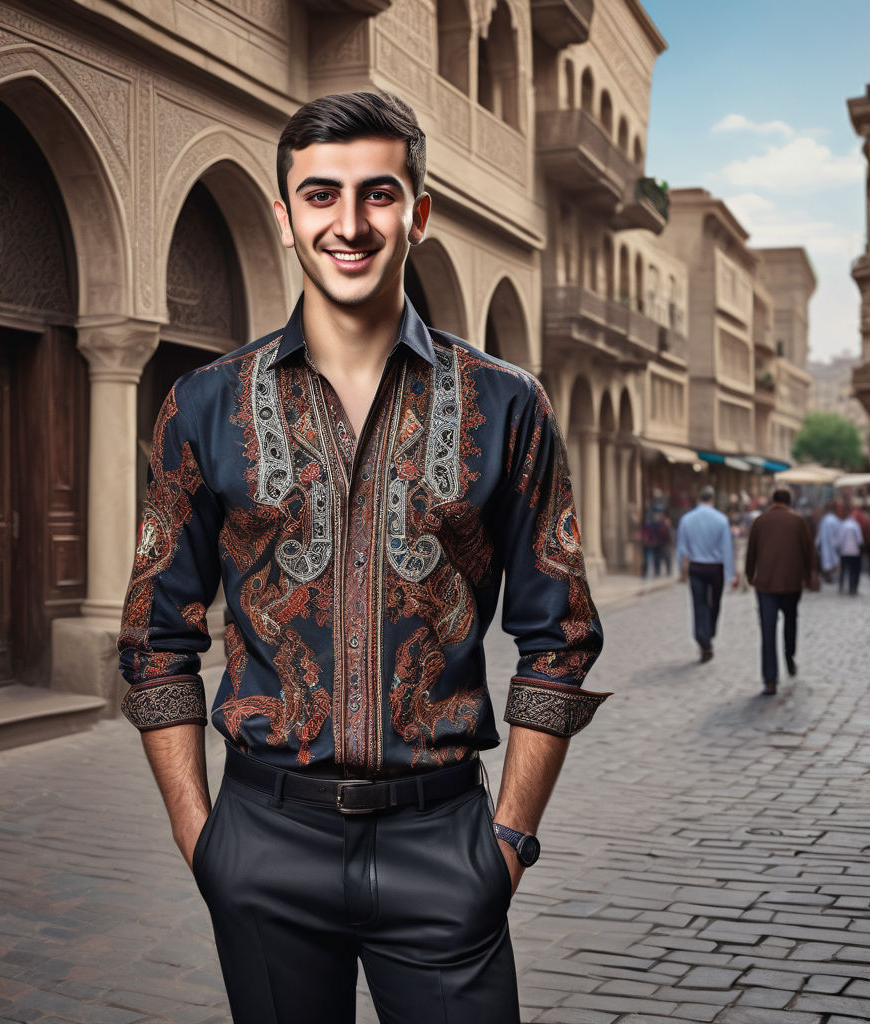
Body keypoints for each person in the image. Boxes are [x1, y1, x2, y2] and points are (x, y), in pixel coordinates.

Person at [117, 91, 607, 1024]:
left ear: (418, 212)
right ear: (286, 216)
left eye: (378, 195)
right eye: (320, 196)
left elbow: (562, 637)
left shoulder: (510, 404)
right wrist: (199, 834)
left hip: (445, 844)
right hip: (263, 841)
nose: (349, 224)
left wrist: (508, 839)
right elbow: (154, 635)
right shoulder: (203, 404)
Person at [744, 488, 815, 695]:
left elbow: (751, 552)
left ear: (773, 501)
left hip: (765, 584)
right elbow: (808, 551)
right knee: (790, 622)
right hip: (792, 583)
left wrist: (749, 574)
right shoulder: (799, 522)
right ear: (789, 502)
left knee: (767, 632)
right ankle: (789, 656)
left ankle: (770, 680)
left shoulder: (760, 521)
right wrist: (809, 575)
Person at [675, 485, 736, 662]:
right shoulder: (721, 520)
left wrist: (681, 569)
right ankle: (708, 634)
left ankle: (702, 637)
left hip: (696, 567)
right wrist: (730, 573)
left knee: (699, 603)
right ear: (713, 500)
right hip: (715, 568)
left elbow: (681, 547)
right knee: (714, 603)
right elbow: (727, 549)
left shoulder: (687, 519)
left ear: (698, 499)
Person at [836, 506, 863, 595]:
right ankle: (852, 589)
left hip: (844, 552)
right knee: (853, 571)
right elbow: (860, 540)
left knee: (843, 571)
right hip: (854, 552)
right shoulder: (856, 525)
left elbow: (839, 540)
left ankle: (841, 587)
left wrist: (839, 549)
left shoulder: (843, 525)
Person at [815, 503, 841, 585]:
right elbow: (839, 532)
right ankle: (832, 577)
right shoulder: (835, 519)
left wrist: (816, 543)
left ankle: (828, 576)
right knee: (834, 561)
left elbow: (819, 534)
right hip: (833, 544)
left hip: (825, 545)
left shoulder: (824, 520)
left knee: (826, 561)